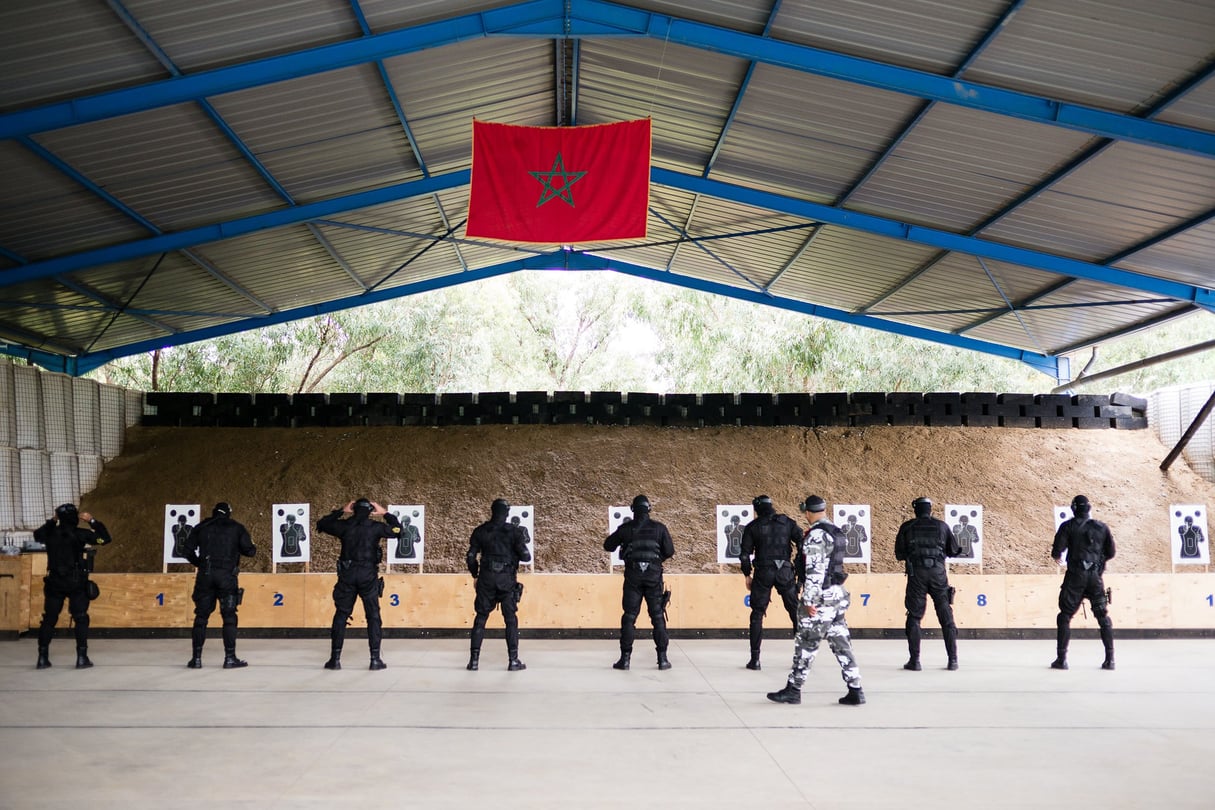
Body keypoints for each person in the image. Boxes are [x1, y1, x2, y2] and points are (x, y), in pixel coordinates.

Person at [767, 495, 864, 706]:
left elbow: (815, 571)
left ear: (809, 512)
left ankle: (793, 690)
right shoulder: (835, 532)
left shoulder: (817, 536)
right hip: (836, 595)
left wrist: (809, 600)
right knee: (842, 644)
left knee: (806, 643)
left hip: (820, 598)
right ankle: (856, 689)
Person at [316, 498, 401, 671]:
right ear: (370, 510)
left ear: (353, 509)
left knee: (341, 615)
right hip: (368, 576)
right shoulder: (375, 527)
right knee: (373, 616)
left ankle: (335, 659)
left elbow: (322, 524)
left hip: (347, 575)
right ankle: (375, 659)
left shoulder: (345, 526)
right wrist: (385, 513)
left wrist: (341, 510)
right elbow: (398, 531)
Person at [34, 503, 112, 669]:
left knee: (49, 618)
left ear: (59, 518)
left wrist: (52, 520)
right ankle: (82, 657)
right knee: (81, 618)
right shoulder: (81, 534)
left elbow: (37, 535)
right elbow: (104, 539)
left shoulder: (49, 533)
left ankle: (42, 657)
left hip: (54, 582)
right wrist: (92, 521)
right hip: (76, 582)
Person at [603, 494, 675, 670]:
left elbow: (608, 545)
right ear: (649, 509)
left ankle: (625, 660)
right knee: (657, 617)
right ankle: (663, 659)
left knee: (629, 618)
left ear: (633, 510)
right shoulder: (660, 528)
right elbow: (670, 551)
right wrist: (656, 561)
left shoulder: (626, 528)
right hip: (653, 578)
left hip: (633, 578)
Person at [183, 502, 256, 669]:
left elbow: (186, 550)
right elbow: (250, 551)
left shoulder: (201, 527)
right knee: (229, 618)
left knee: (201, 618)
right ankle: (230, 658)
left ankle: (196, 659)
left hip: (205, 576)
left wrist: (200, 564)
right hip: (227, 578)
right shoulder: (236, 528)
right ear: (229, 513)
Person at [894, 497, 962, 671]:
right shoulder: (942, 526)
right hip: (938, 575)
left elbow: (899, 554)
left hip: (917, 575)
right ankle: (952, 660)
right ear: (930, 509)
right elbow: (954, 550)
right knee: (946, 615)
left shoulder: (907, 527)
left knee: (914, 616)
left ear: (915, 510)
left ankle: (915, 661)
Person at [738, 495, 803, 670]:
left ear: (757, 509)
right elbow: (803, 544)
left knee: (757, 614)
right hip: (785, 572)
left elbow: (744, 554)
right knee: (795, 613)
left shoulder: (753, 526)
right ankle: (800, 659)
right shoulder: (787, 523)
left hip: (763, 573)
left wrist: (747, 575)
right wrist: (796, 567)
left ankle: (755, 660)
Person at [1051, 495, 1116, 671]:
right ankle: (1110, 659)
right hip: (1095, 577)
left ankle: (1061, 659)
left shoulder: (1068, 526)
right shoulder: (1102, 527)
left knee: (1064, 616)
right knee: (1103, 617)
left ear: (1073, 509)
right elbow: (1111, 552)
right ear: (1089, 508)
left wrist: (1059, 556)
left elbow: (1057, 551)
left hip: (1075, 577)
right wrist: (1098, 563)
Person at [465, 498, 531, 671]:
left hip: (486, 578)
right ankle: (513, 660)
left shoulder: (480, 531)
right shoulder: (515, 532)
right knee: (510, 620)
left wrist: (475, 574)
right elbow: (526, 557)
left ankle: (473, 661)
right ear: (507, 513)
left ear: (492, 511)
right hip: (506, 579)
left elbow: (471, 557)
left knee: (480, 619)